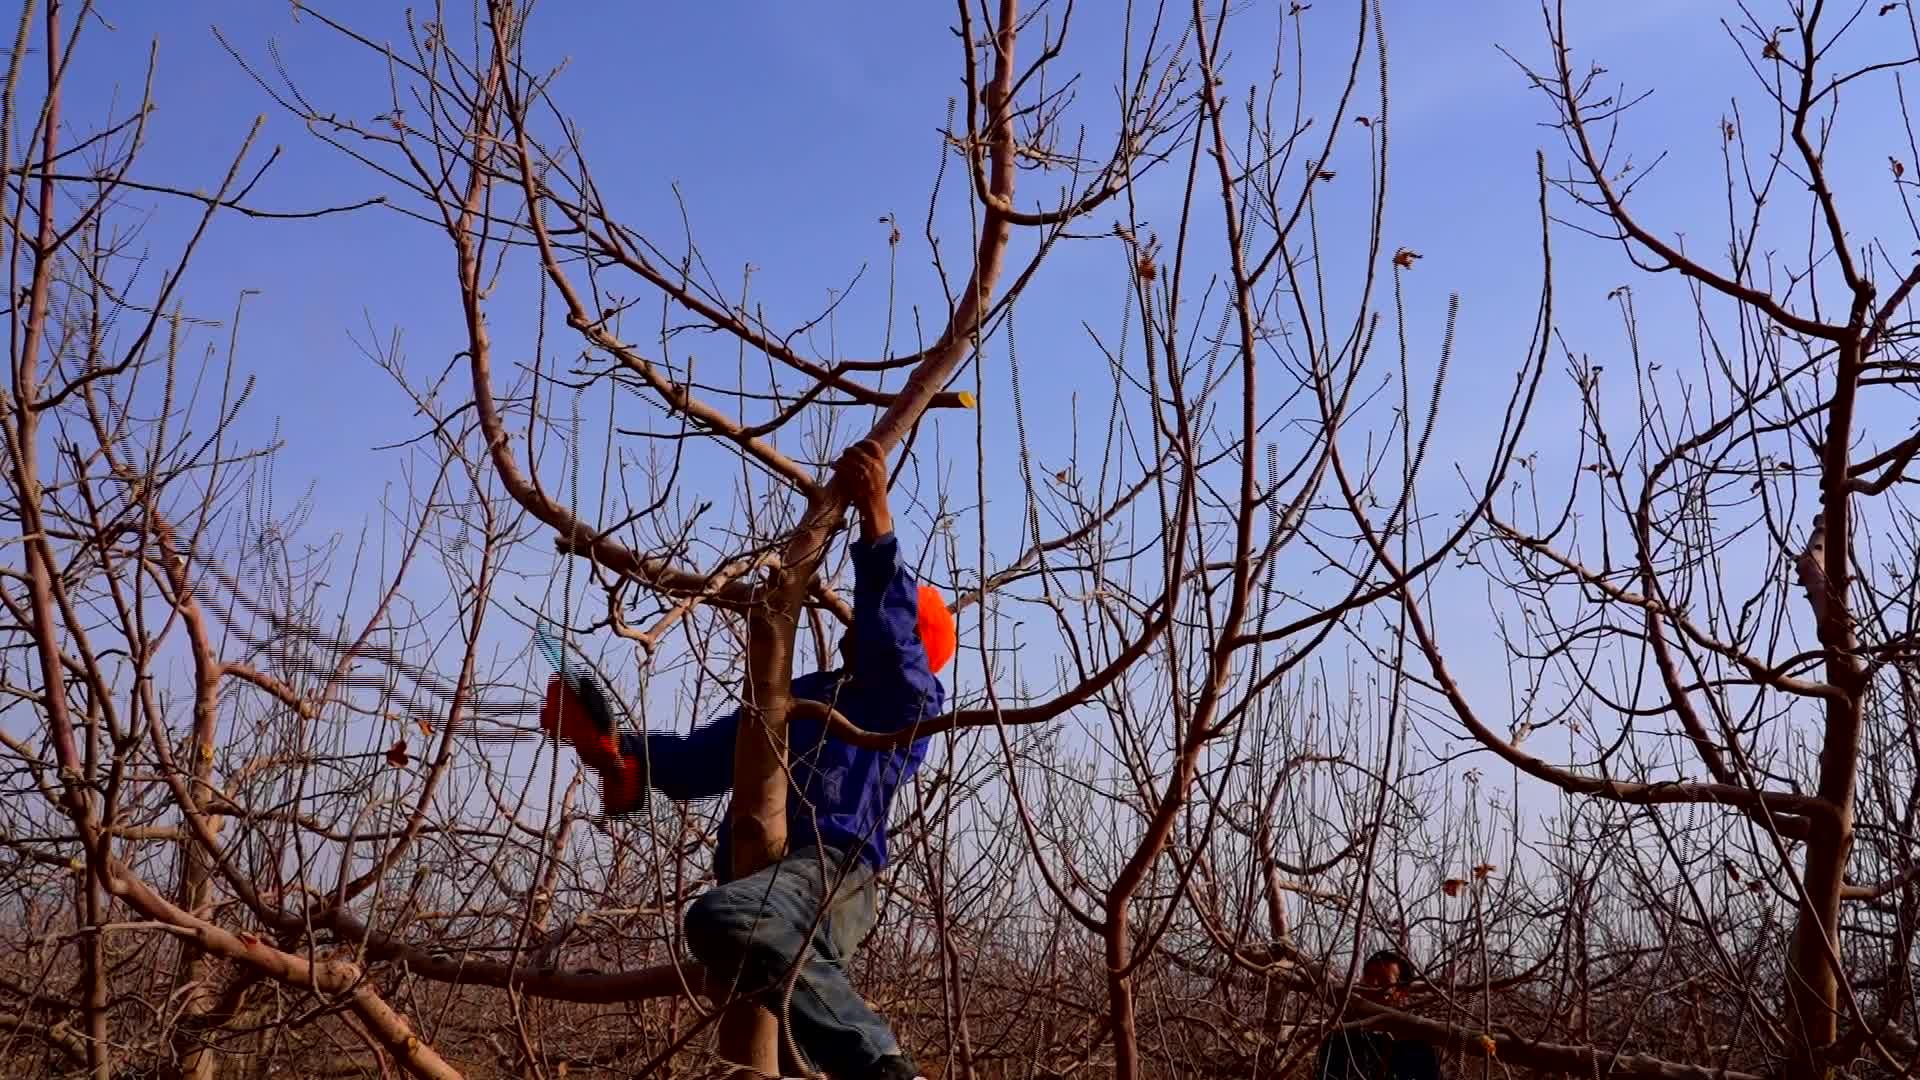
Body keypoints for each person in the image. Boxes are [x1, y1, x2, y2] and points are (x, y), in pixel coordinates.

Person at [538, 440, 951, 1080]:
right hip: (768, 882)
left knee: (724, 917)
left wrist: (877, 523)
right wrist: (620, 753)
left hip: (833, 873)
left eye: (880, 618)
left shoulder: (907, 703)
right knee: (777, 1030)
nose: (855, 627)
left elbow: (893, 641)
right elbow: (711, 753)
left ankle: (887, 1069)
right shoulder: (807, 695)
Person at [1313, 949, 1441, 1080]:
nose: (1373, 984)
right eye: (1368, 977)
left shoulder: (1418, 1045)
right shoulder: (1341, 1036)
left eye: (1384, 980)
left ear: (1402, 992)